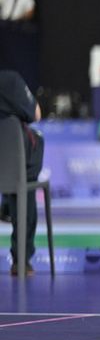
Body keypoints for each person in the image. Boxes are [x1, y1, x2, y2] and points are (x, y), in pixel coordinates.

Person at [0, 69, 43, 275]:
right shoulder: (10, 80)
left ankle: (7, 203)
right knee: (24, 183)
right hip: (13, 166)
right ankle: (21, 260)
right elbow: (36, 115)